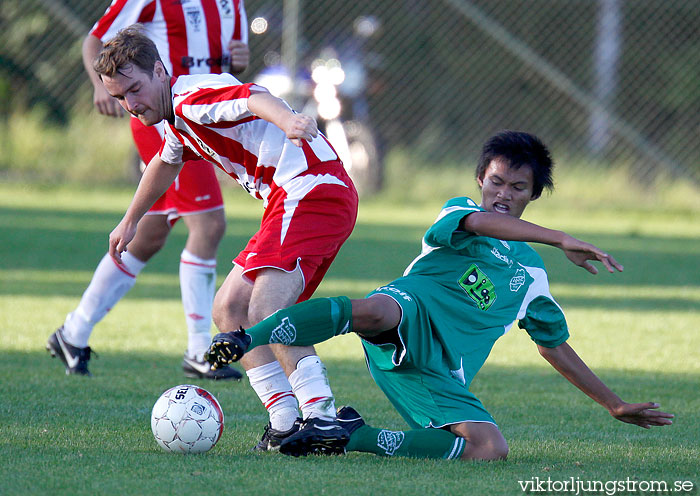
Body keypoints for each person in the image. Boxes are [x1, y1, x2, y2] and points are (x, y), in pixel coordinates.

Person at [206, 130, 674, 459]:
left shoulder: (533, 280)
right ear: (479, 180)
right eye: (496, 182)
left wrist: (612, 403)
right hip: (408, 312)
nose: (503, 195)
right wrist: (557, 236)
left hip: (438, 372)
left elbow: (552, 344)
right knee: (378, 309)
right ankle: (249, 337)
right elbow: (480, 222)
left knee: (489, 448)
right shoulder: (462, 213)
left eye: (518, 187)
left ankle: (349, 435)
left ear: (534, 194)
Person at [95, 27, 359, 456]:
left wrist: (288, 120)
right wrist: (130, 221)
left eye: (135, 89)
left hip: (312, 189)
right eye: (121, 97)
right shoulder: (176, 119)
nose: (131, 104)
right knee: (229, 309)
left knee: (267, 309)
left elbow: (252, 96)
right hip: (291, 198)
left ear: (160, 71)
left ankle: (323, 418)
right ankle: (285, 421)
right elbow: (165, 161)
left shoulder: (191, 100)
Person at [47, 0, 250, 381]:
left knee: (151, 233)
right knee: (208, 226)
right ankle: (199, 349)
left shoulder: (231, 3)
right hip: (165, 121)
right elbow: (94, 41)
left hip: (203, 119)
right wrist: (101, 88)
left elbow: (226, 66)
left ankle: (73, 333)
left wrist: (240, 58)